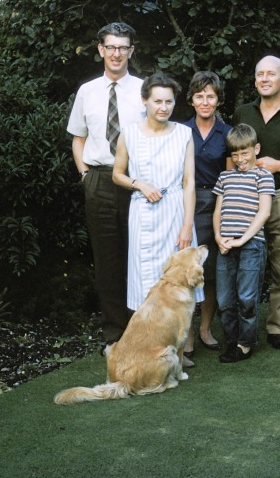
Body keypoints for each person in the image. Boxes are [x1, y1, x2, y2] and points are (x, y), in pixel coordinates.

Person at [111, 74, 203, 363]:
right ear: (144, 101)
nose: (163, 107)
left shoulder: (183, 134)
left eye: (169, 101)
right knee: (144, 280)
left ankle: (181, 348)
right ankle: (145, 347)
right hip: (142, 210)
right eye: (157, 101)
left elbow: (189, 182)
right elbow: (117, 174)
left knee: (182, 281)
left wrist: (187, 225)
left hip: (176, 209)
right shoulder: (130, 133)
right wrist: (140, 184)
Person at [67, 22, 145, 349]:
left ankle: (143, 333)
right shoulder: (86, 91)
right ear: (100, 50)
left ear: (131, 51)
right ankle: (115, 335)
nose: (116, 53)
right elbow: (78, 138)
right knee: (107, 261)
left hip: (136, 181)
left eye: (122, 47)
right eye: (110, 47)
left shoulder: (145, 90)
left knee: (139, 259)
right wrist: (85, 176)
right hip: (98, 179)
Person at [232, 55, 280, 350]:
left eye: (271, 74)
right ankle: (242, 327)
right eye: (259, 74)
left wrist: (277, 165)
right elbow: (232, 157)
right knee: (244, 264)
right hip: (245, 198)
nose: (264, 79)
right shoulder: (242, 112)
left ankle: (276, 328)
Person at [213, 124, 275, 363]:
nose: (240, 159)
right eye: (235, 154)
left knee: (247, 298)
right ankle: (231, 340)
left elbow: (264, 212)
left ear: (256, 148)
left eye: (245, 153)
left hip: (251, 245)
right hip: (225, 246)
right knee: (224, 300)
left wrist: (242, 240)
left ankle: (245, 343)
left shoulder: (263, 176)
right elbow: (218, 211)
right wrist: (219, 237)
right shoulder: (225, 177)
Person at [181, 71, 233, 358]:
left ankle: (205, 328)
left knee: (212, 272)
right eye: (199, 96)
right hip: (186, 204)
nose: (205, 101)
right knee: (189, 270)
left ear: (218, 100)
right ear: (191, 99)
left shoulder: (227, 133)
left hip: (217, 201)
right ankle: (187, 334)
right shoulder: (179, 130)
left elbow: (228, 174)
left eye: (210, 96)